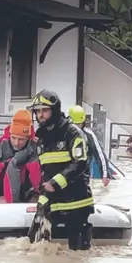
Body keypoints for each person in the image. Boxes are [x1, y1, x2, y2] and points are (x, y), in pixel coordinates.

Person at [28, 90, 94, 251]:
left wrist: (56, 183)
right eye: (37, 111)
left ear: (55, 110)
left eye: (44, 110)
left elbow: (81, 163)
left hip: (76, 201)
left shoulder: (72, 133)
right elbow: (45, 171)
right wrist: (38, 193)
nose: (40, 115)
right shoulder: (42, 139)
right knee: (34, 244)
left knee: (77, 254)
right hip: (52, 201)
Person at [68, 105, 110, 187]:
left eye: (78, 124)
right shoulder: (64, 134)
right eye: (74, 124)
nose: (77, 127)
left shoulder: (89, 135)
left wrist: (105, 175)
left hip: (84, 176)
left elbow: (99, 154)